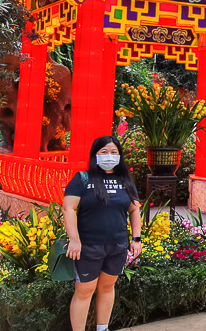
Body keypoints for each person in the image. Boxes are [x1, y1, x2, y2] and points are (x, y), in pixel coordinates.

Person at [63, 136, 142, 331]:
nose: (109, 156)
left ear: (120, 156)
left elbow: (134, 210)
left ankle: (102, 328)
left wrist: (136, 239)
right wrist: (74, 240)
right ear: (95, 155)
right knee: (85, 291)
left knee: (107, 287)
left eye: (114, 152)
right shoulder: (82, 179)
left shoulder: (125, 181)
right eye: (104, 152)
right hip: (89, 247)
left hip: (117, 246)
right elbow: (68, 209)